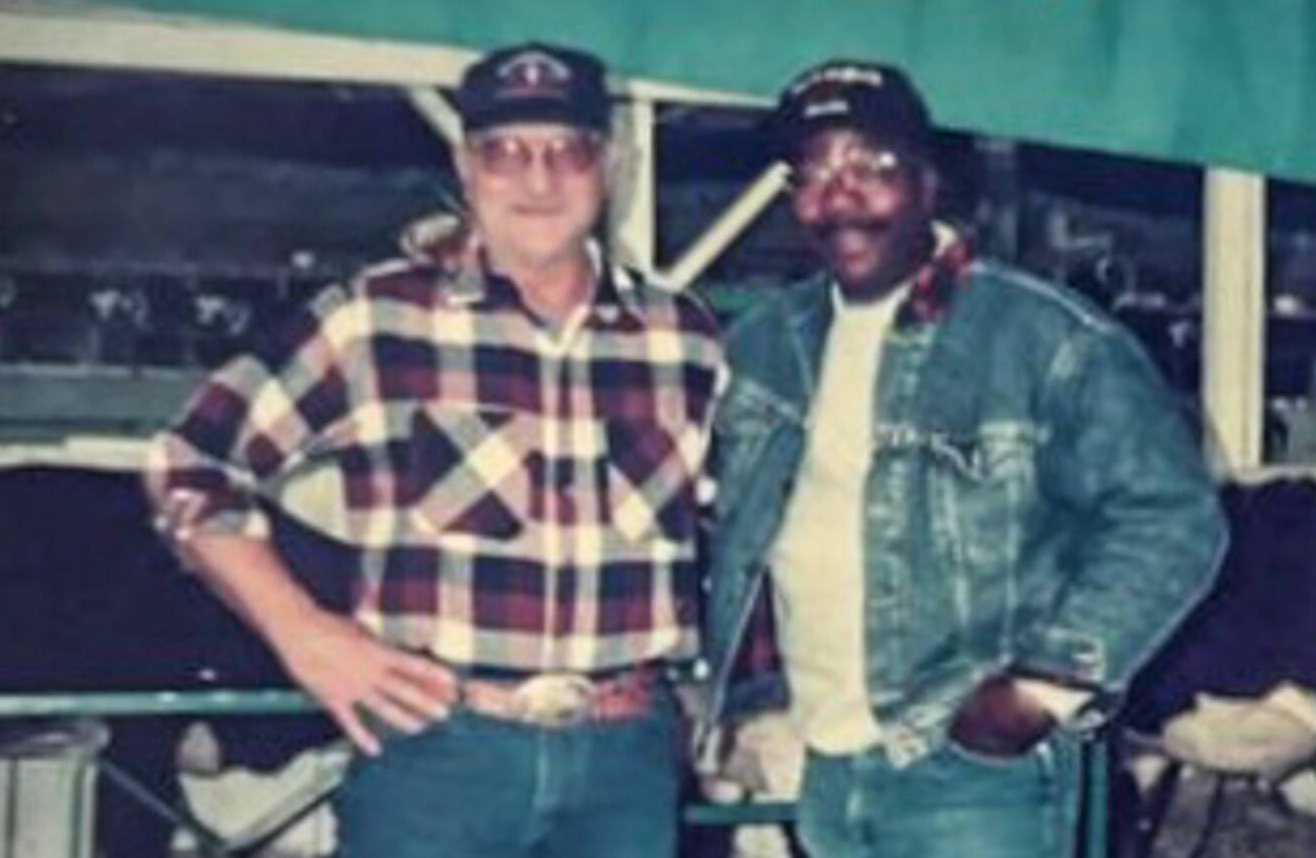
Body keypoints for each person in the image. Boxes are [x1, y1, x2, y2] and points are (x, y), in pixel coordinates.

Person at [145, 42, 724, 858]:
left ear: (610, 163)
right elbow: (188, 462)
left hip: (624, 762)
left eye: (567, 151)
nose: (538, 178)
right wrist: (304, 633)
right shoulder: (374, 317)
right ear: (465, 164)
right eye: (506, 151)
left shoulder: (684, 335)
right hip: (436, 752)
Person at [701, 60, 1226, 858]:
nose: (839, 196)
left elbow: (1174, 516)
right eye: (812, 173)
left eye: (871, 167)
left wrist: (1040, 689)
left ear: (928, 181)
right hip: (825, 763)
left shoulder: (1046, 340)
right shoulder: (763, 347)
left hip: (974, 776)